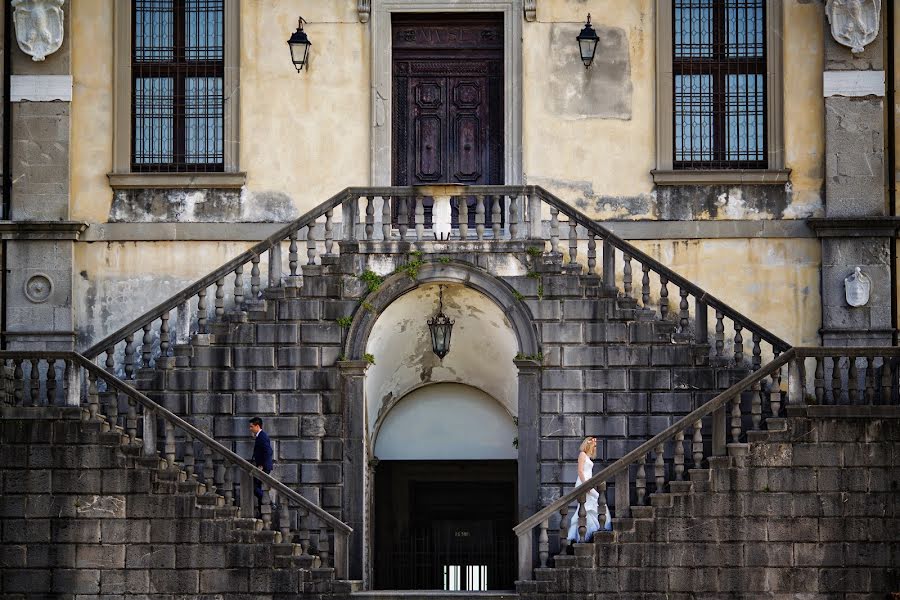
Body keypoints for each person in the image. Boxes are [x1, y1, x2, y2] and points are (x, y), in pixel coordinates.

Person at [566, 436, 612, 545]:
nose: (594, 447)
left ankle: (590, 532)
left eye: (595, 446)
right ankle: (587, 533)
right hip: (583, 483)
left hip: (588, 483)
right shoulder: (582, 455)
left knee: (591, 506)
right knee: (594, 503)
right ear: (587, 444)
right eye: (593, 445)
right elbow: (580, 471)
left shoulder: (588, 457)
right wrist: (586, 485)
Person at [249, 417, 273, 505]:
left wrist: (262, 465)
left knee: (255, 488)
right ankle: (262, 508)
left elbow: (269, 451)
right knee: (258, 487)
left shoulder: (262, 436)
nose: (250, 429)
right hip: (262, 466)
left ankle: (269, 502)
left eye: (251, 427)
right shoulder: (260, 436)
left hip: (264, 467)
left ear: (257, 426)